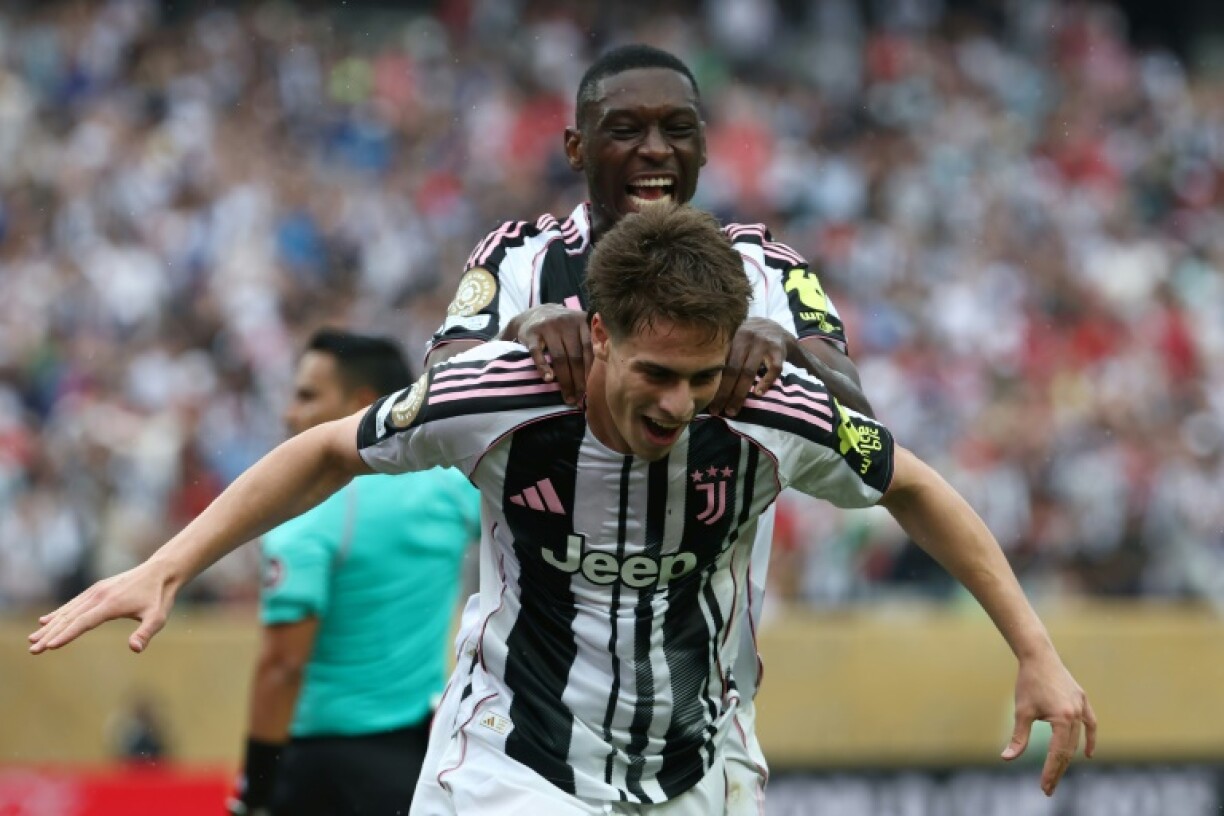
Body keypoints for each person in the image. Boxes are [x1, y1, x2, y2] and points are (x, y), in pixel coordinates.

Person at [30, 206, 1095, 814]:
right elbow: (325, 452)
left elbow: (909, 480)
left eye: (703, 374)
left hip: (695, 769)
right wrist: (169, 563)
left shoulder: (769, 405)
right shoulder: (496, 396)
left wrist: (1034, 647)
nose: (682, 403)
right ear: (598, 336)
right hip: (509, 760)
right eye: (657, 373)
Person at [424, 43, 872, 808]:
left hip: (700, 731)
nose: (655, 151)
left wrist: (788, 348)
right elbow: (432, 394)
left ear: (704, 143)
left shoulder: (761, 270)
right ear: (576, 147)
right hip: (519, 725)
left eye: (678, 129)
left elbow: (859, 421)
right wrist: (522, 331)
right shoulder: (517, 259)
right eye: (626, 128)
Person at [225, 330, 480, 816]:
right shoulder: (453, 488)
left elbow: (282, 666)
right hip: (417, 764)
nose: (288, 413)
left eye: (307, 396)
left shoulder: (304, 515)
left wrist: (255, 790)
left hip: (318, 770)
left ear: (362, 403)